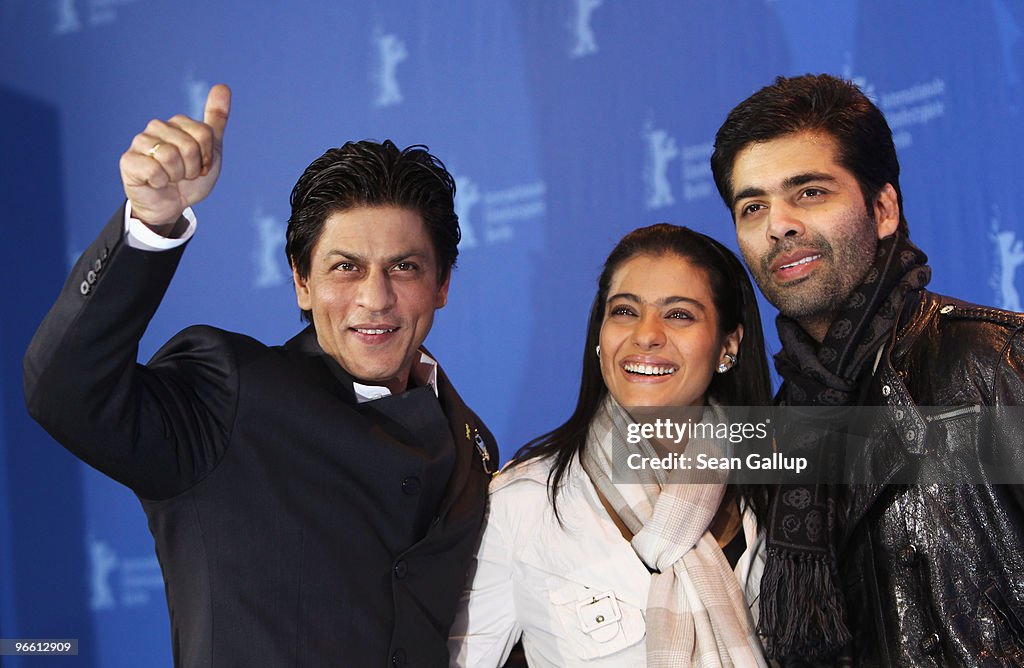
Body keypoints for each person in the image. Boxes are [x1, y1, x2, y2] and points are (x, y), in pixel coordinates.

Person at [23, 84, 497, 667]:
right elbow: (64, 391)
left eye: (404, 267)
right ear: (301, 281)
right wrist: (152, 224)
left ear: (442, 285)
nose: (376, 298)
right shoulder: (227, 393)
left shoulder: (473, 443)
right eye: (345, 268)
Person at [711, 73, 1024, 666]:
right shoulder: (777, 430)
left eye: (809, 192)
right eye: (753, 206)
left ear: (882, 209)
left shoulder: (993, 361)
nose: (779, 225)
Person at [448, 224, 773, 667]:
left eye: (679, 314)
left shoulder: (781, 488)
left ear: (728, 344)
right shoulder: (523, 503)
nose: (646, 335)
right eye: (624, 311)